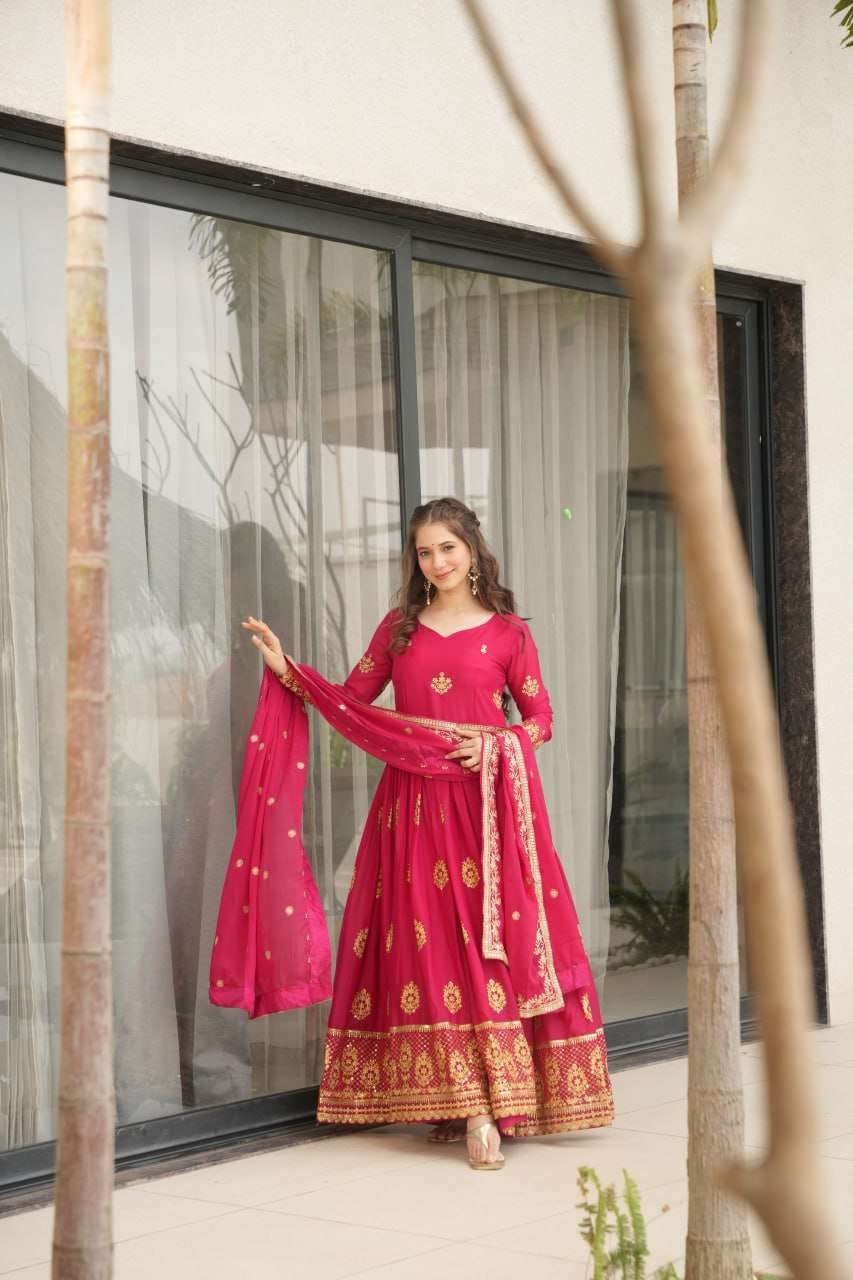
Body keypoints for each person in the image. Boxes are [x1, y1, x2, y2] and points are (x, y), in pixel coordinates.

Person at [220, 496, 614, 1170]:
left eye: (447, 548)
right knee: (430, 950)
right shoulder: (399, 630)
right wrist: (289, 672)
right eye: (425, 552)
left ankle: (495, 1099)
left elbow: (541, 718)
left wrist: (498, 743)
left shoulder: (508, 634)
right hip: (410, 811)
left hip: (484, 810)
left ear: (472, 548)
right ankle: (466, 1102)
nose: (436, 562)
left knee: (485, 949)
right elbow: (349, 703)